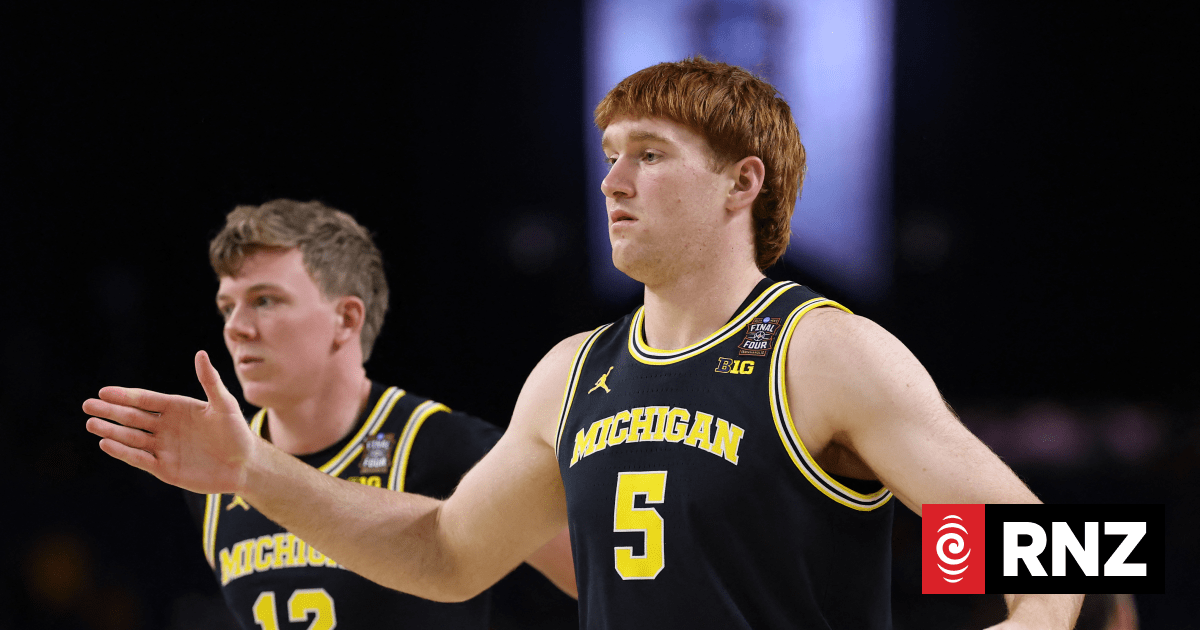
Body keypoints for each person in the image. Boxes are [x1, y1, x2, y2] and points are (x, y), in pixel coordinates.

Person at [85, 59, 1082, 629]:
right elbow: (447, 554)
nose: (613, 182)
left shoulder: (821, 352)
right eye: (610, 156)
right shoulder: (572, 374)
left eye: (650, 155)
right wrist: (255, 471)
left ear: (742, 184)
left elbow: (1062, 553)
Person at [178, 200, 576, 629]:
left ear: (346, 319)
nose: (236, 326)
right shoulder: (216, 466)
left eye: (264, 300)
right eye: (227, 307)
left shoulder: (443, 444)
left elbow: (602, 575)